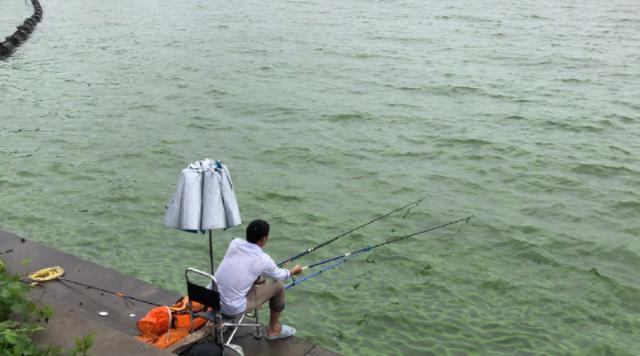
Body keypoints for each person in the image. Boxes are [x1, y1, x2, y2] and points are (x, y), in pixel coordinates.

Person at [214, 219, 303, 340]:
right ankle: (274, 329)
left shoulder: (234, 243)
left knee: (255, 279)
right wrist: (294, 271)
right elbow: (281, 276)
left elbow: (244, 267)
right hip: (231, 309)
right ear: (263, 239)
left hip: (212, 301)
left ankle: (221, 323)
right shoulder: (263, 259)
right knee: (278, 286)